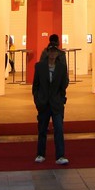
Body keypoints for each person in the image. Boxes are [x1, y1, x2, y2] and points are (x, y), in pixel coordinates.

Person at [32, 33, 69, 165]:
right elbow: (35, 85)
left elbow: (64, 83)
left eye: (55, 51)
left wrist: (61, 97)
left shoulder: (62, 67)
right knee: (42, 129)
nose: (53, 53)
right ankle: (40, 154)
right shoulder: (40, 67)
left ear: (57, 52)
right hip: (43, 102)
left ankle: (60, 155)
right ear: (48, 52)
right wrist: (37, 99)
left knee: (58, 129)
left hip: (56, 102)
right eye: (51, 51)